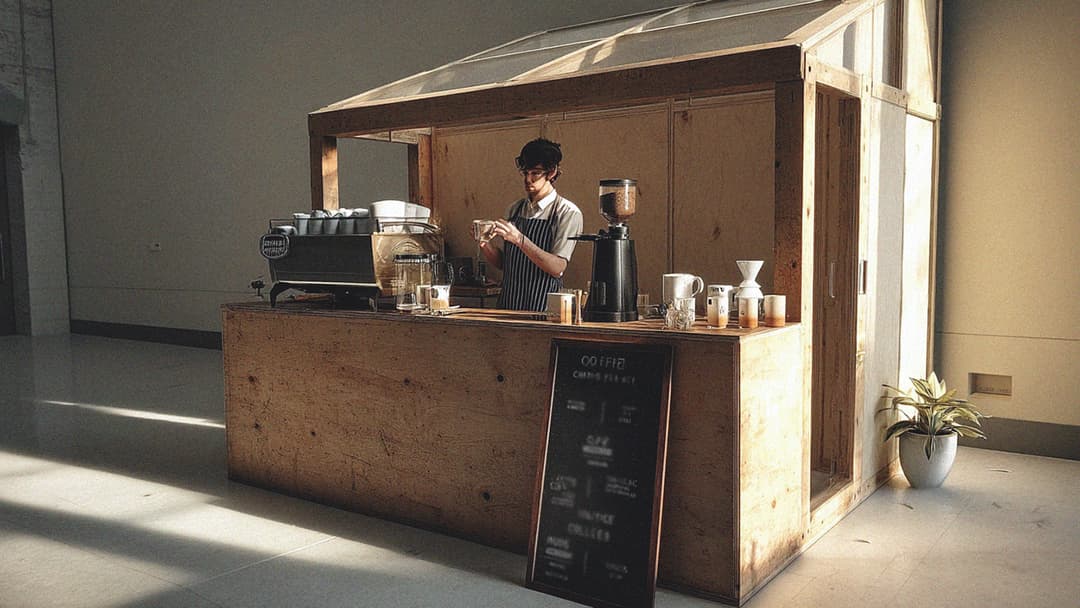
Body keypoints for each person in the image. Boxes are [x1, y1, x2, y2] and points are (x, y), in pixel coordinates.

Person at [477, 138, 583, 311]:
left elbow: (558, 267)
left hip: (544, 309)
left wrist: (519, 239)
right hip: (508, 306)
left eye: (535, 173)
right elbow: (505, 263)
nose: (528, 179)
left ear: (552, 172)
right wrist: (484, 242)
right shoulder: (514, 209)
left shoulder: (567, 212)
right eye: (525, 172)